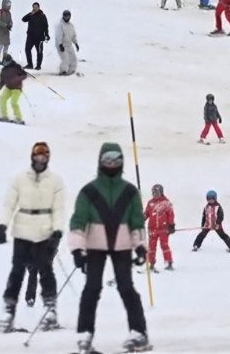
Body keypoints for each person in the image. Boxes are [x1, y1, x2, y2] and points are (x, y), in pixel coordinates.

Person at [69, 143, 150, 354]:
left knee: (126, 288)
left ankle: (138, 332)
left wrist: (141, 247)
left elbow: (137, 222)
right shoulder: (89, 191)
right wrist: (77, 249)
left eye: (116, 160)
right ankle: (84, 334)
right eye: (108, 160)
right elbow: (78, 221)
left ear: (122, 162)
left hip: (122, 246)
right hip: (95, 246)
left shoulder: (130, 192)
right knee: (92, 289)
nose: (112, 164)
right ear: (100, 162)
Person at [0, 142, 65, 332]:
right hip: (22, 229)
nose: (40, 160)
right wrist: (3, 225)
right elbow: (8, 204)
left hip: (44, 230)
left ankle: (50, 309)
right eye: (37, 156)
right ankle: (9, 310)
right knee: (17, 270)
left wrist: (58, 229)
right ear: (32, 157)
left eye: (44, 156)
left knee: (45, 270)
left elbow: (59, 208)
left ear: (48, 158)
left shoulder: (55, 181)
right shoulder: (19, 179)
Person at [144, 184, 175, 272]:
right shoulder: (150, 203)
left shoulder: (166, 202)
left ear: (161, 193)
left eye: (158, 192)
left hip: (163, 229)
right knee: (151, 247)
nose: (156, 194)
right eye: (154, 192)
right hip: (152, 229)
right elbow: (147, 213)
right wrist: (142, 217)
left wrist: (171, 225)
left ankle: (169, 262)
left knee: (164, 245)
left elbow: (171, 214)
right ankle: (152, 263)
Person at [0, 54, 28, 124]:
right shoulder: (4, 70)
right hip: (8, 88)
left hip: (17, 89)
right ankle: (4, 116)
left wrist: (17, 79)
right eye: (3, 61)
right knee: (2, 100)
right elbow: (2, 81)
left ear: (9, 61)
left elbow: (24, 75)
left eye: (5, 61)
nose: (4, 63)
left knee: (14, 102)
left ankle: (18, 118)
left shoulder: (16, 67)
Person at [21, 2, 49, 70]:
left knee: (39, 51)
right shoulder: (31, 15)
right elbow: (23, 19)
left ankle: (38, 65)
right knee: (27, 49)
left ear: (39, 7)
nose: (35, 8)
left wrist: (47, 35)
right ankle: (30, 64)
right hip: (30, 36)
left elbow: (46, 26)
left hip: (39, 37)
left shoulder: (42, 15)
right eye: (33, 7)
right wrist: (30, 14)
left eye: (36, 7)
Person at [53, 9, 80, 76]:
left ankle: (72, 70)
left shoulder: (71, 26)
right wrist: (60, 44)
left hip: (69, 45)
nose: (67, 18)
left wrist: (76, 43)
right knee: (65, 59)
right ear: (63, 16)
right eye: (66, 16)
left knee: (73, 58)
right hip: (62, 45)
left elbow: (73, 36)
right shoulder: (60, 25)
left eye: (68, 16)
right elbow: (58, 36)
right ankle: (63, 71)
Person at [0, 0, 13, 65]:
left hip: (6, 31)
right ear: (4, 5)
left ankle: (4, 59)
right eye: (8, 5)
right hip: (0, 31)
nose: (9, 7)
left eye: (10, 5)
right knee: (0, 45)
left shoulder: (9, 13)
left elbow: (10, 21)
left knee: (6, 45)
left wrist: (10, 25)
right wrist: (5, 25)